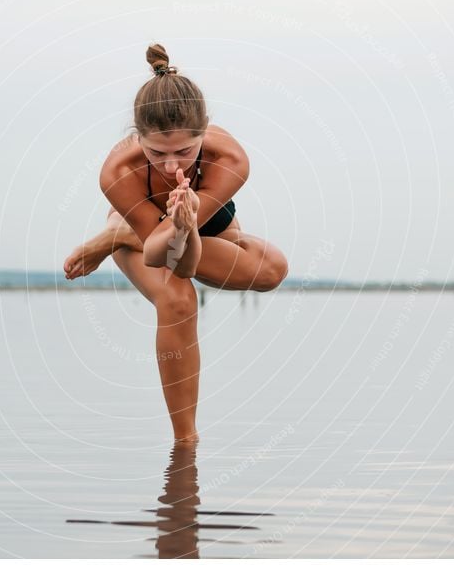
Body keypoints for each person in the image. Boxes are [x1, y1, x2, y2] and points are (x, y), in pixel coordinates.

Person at [63, 43, 289, 443]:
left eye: (185, 151)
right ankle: (186, 440)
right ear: (138, 138)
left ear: (205, 133)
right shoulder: (118, 171)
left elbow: (186, 259)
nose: (172, 165)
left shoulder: (231, 160)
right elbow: (162, 256)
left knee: (273, 269)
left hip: (205, 225)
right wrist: (177, 231)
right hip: (150, 235)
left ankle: (120, 236)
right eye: (156, 152)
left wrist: (186, 225)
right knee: (178, 300)